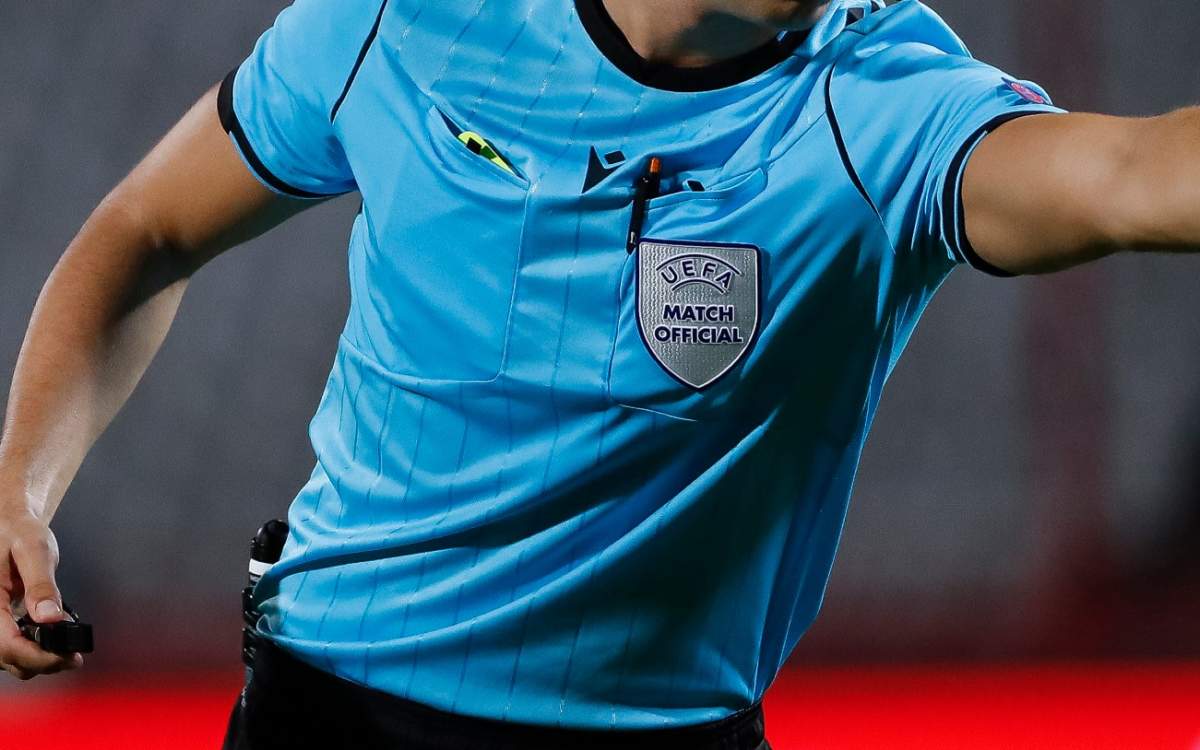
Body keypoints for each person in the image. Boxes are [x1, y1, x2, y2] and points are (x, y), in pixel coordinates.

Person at [0, 0, 1196, 747]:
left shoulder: (885, 110)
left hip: (668, 734)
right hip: (335, 710)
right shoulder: (403, 22)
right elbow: (150, 226)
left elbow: (1133, 177)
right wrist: (20, 496)